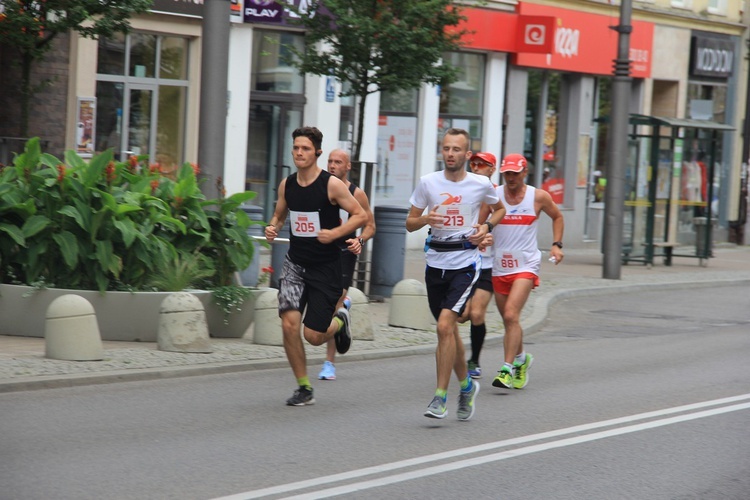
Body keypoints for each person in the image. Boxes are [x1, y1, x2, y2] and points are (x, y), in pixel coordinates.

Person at [406, 128, 506, 421]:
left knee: (444, 326)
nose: (450, 154)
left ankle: (440, 397)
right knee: (447, 332)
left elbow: (499, 210)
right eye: (446, 148)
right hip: (435, 263)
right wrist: (426, 218)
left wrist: (486, 227)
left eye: (456, 149)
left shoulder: (480, 184)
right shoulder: (428, 182)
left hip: (465, 263)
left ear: (466, 155)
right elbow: (410, 223)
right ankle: (466, 387)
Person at [264, 126, 367, 406]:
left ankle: (340, 322)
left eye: (305, 148)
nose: (299, 152)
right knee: (288, 325)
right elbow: (278, 215)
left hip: (326, 267)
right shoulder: (288, 184)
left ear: (317, 152)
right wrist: (273, 227)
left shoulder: (331, 184)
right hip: (295, 264)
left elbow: (360, 215)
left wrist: (335, 234)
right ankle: (304, 387)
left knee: (313, 336)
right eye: (296, 147)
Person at [490, 153, 564, 391]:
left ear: (524, 173)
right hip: (499, 264)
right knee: (509, 321)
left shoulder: (538, 196)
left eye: (514, 173)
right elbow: (481, 222)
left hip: (526, 264)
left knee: (512, 314)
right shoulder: (494, 195)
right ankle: (522, 359)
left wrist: (557, 244)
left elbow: (558, 216)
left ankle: (506, 370)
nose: (510, 178)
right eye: (506, 173)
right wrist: (482, 236)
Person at [318, 149, 377, 381]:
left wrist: (359, 239)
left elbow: (370, 226)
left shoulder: (356, 193)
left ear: (348, 166)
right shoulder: (320, 187)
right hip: (321, 250)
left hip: (344, 251)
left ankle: (329, 363)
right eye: (330, 161)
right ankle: (345, 302)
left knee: (333, 306)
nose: (332, 165)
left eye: (338, 162)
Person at [464, 152, 498, 380]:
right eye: (473, 164)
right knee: (460, 315)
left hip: (487, 264)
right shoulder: (463, 192)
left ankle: (474, 359)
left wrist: (491, 235)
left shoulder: (497, 195)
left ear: (491, 169)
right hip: (463, 262)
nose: (476, 168)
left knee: (476, 313)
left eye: (482, 165)